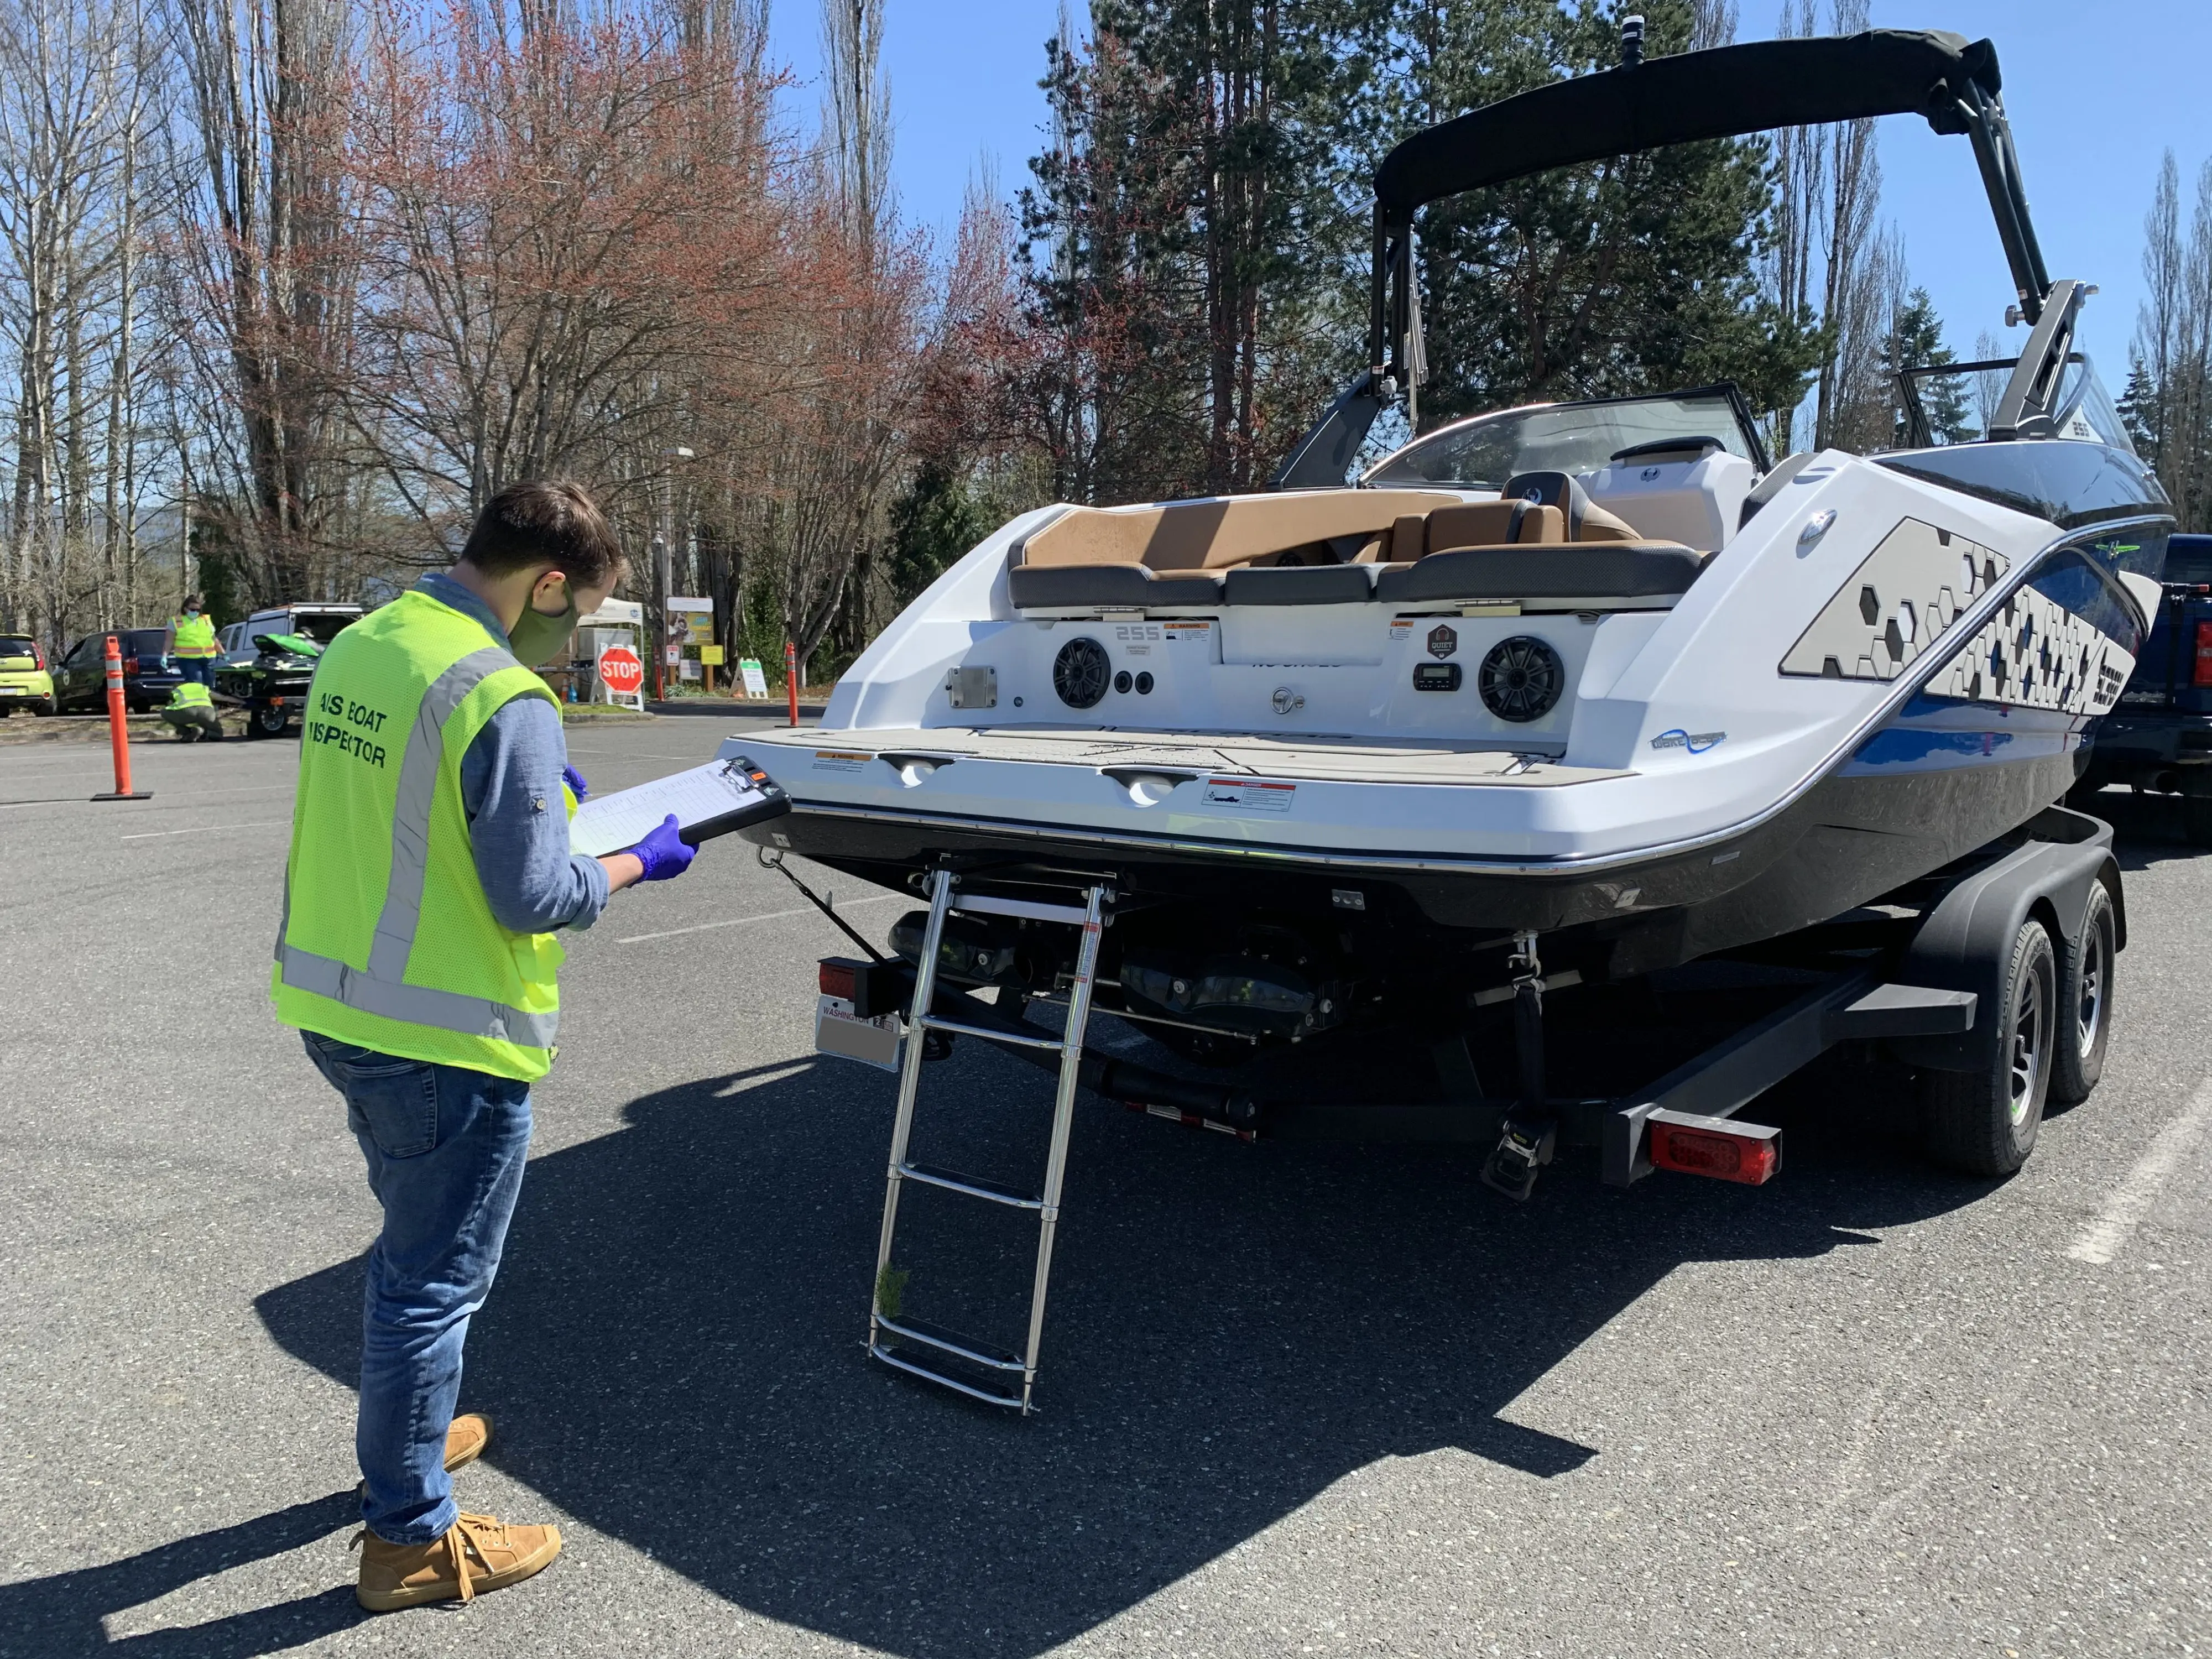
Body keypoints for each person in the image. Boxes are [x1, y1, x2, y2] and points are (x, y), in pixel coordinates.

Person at [272, 478, 697, 1613]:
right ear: (546, 582)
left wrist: (522, 798)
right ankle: (410, 1538)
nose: (575, 640)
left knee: (412, 1251)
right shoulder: (504, 694)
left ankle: (409, 1435)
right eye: (583, 615)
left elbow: (399, 806)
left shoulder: (367, 642)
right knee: (431, 1283)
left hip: (340, 1007)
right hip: (442, 1038)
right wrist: (631, 863)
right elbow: (534, 894)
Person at [167, 595, 220, 686]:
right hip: (188, 660)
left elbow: (214, 639)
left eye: (198, 610)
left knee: (210, 686)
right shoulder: (176, 621)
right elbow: (169, 641)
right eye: (193, 610)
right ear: (185, 609)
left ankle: (208, 700)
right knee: (196, 685)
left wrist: (223, 653)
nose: (196, 612)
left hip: (208, 659)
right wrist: (164, 656)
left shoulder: (205, 620)